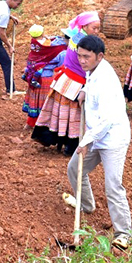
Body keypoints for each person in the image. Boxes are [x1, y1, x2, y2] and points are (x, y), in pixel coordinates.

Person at [65, 35, 132, 251]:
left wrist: (85, 142)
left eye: (86, 57)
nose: (82, 61)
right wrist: (85, 90)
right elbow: (89, 80)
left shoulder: (106, 81)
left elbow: (107, 119)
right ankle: (86, 205)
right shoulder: (93, 70)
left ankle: (123, 233)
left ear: (99, 56)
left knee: (113, 185)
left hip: (112, 138)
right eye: (79, 56)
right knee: (75, 168)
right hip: (95, 134)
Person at [32, 11, 100, 155]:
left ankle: (57, 140)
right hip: (76, 84)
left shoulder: (76, 36)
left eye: (98, 28)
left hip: (65, 81)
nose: (97, 31)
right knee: (74, 116)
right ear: (85, 26)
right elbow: (89, 65)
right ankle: (71, 146)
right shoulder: (86, 42)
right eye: (94, 28)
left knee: (61, 113)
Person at [21, 25, 70, 128]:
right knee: (45, 102)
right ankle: (43, 125)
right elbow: (61, 67)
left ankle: (30, 123)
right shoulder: (62, 51)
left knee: (35, 99)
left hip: (34, 74)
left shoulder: (39, 44)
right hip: (46, 79)